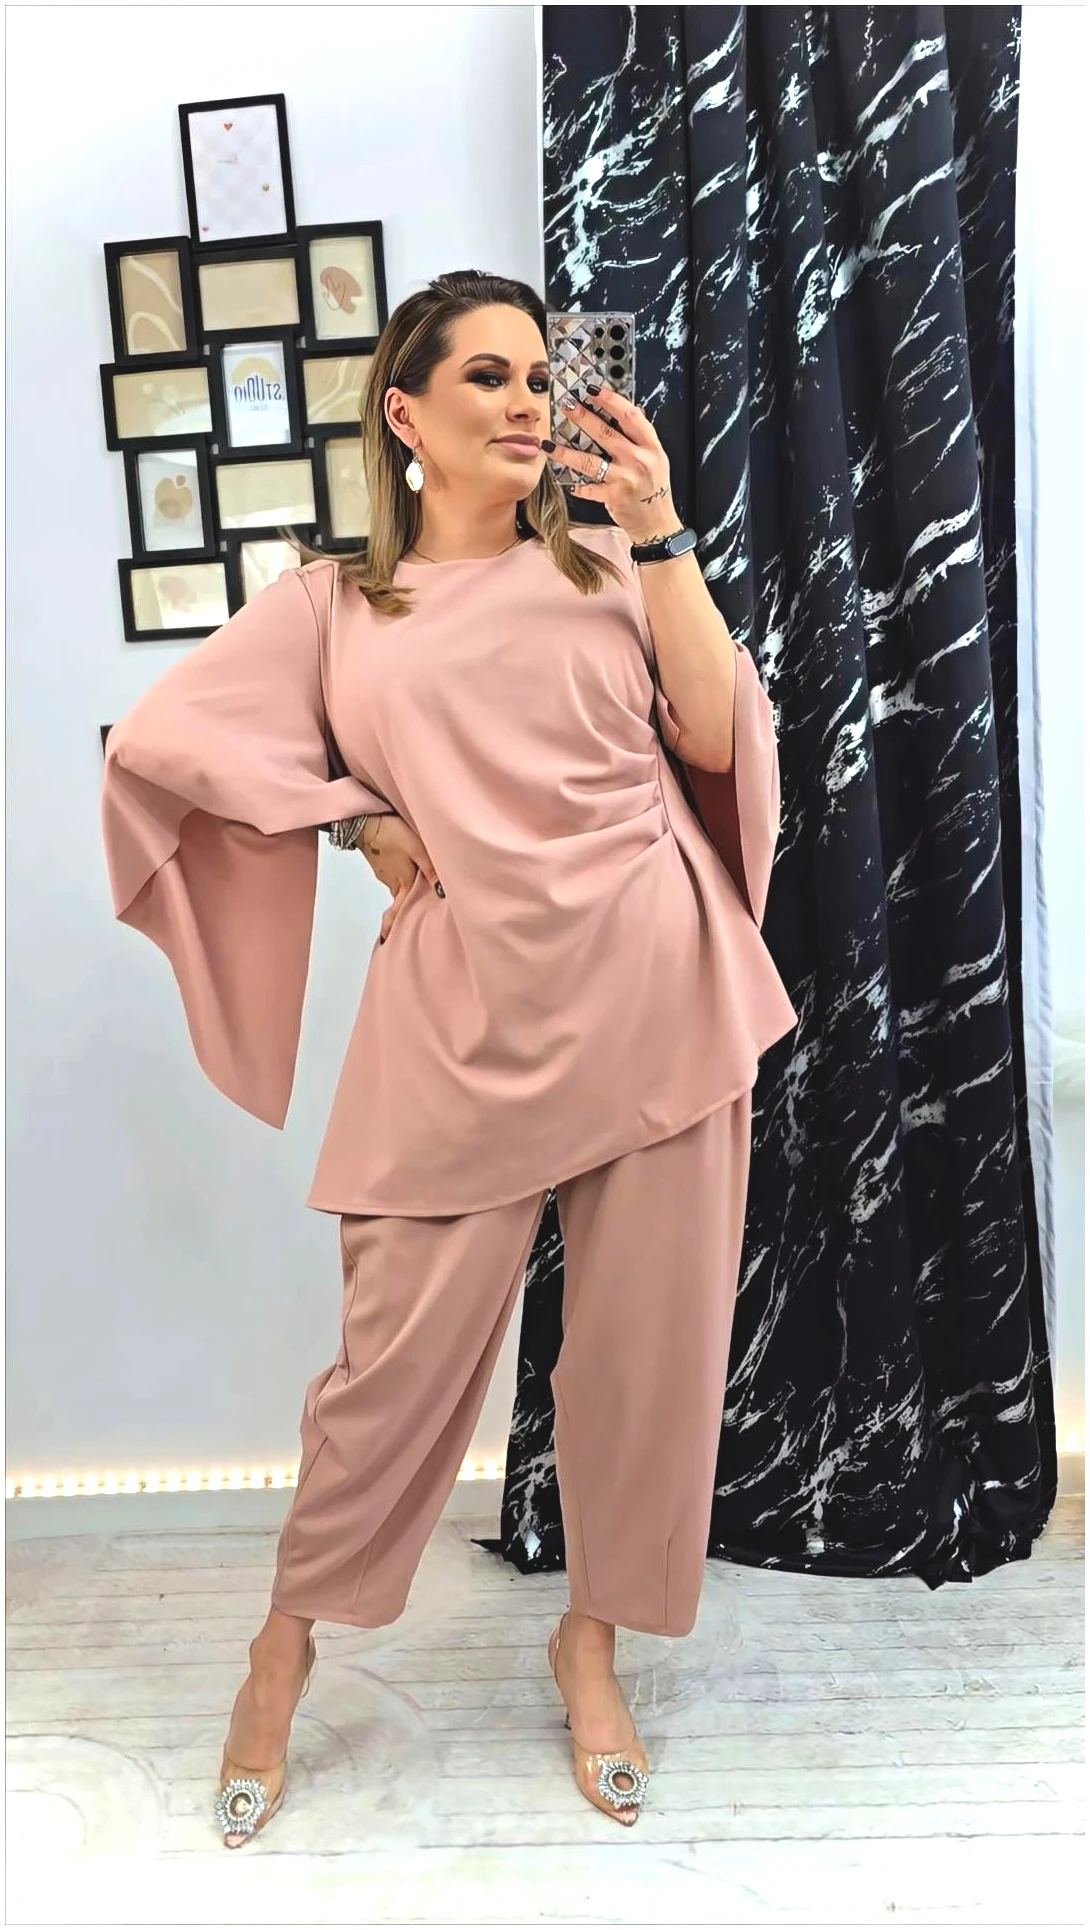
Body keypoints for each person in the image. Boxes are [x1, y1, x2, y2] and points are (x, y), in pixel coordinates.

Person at [100, 270, 799, 1845]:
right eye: (486, 375)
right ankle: (282, 1650)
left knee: (645, 1363)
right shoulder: (331, 605)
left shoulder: (611, 562)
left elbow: (715, 736)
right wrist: (353, 811)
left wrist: (663, 532)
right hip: (457, 1018)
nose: (526, 399)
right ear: (404, 415)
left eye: (540, 374)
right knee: (389, 1373)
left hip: (658, 989)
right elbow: (165, 742)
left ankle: (590, 1641)